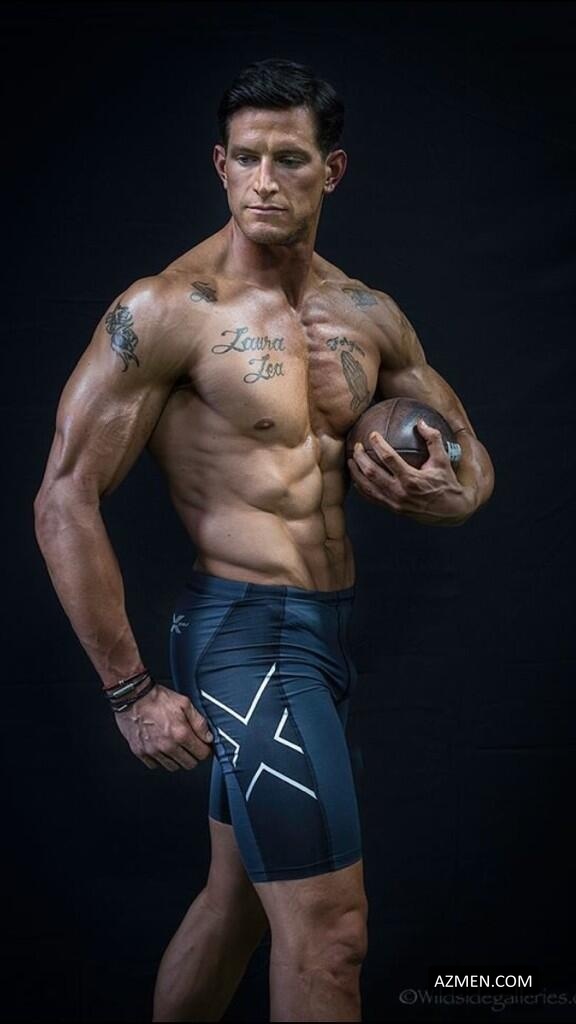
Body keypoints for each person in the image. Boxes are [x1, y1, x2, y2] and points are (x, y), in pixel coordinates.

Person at [33, 57, 494, 1023]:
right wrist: (128, 692)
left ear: (332, 171)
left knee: (236, 906)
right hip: (246, 642)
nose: (264, 181)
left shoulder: (365, 312)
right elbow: (63, 497)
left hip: (323, 637)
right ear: (220, 164)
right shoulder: (169, 310)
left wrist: (452, 498)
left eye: (289, 159)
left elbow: (468, 454)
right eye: (245, 158)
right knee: (331, 940)